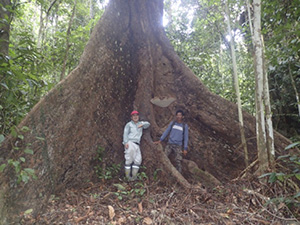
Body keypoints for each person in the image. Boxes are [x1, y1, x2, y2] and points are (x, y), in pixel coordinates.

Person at [123, 110, 150, 181]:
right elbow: (125, 133)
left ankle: (134, 177)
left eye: (136, 115)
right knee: (129, 160)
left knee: (138, 160)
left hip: (137, 144)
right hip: (130, 143)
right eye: (133, 116)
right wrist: (125, 142)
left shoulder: (140, 123)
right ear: (131, 117)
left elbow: (148, 124)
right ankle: (128, 178)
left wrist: (142, 124)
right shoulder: (129, 124)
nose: (135, 117)